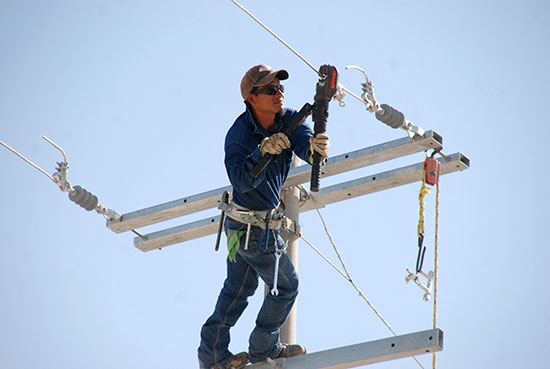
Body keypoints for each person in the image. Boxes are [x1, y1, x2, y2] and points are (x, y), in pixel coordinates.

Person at [197, 64, 330, 369]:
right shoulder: (239, 135)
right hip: (252, 228)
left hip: (244, 228)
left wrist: (316, 150)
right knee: (287, 286)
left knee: (237, 291)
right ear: (252, 98)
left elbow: (307, 147)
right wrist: (263, 152)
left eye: (280, 88)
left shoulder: (290, 120)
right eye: (271, 90)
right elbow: (242, 179)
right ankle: (263, 348)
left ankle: (213, 356)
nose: (278, 94)